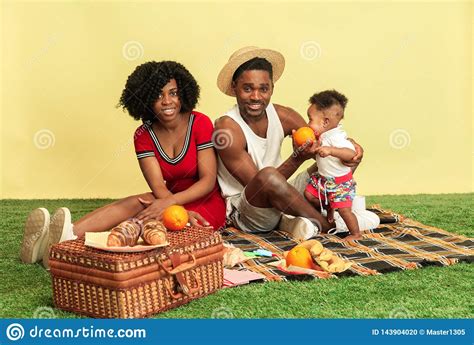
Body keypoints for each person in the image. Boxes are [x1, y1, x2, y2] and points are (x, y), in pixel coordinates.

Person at [20, 61, 226, 268]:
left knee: (149, 220)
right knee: (137, 202)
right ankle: (65, 235)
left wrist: (171, 206)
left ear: (184, 93)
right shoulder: (143, 135)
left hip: (205, 201)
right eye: (157, 95)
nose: (166, 101)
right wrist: (168, 204)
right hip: (166, 197)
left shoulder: (200, 122)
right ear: (145, 99)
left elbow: (208, 181)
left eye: (173, 93)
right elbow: (158, 187)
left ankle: (63, 247)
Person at [214, 46, 379, 240]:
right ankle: (327, 226)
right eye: (247, 88)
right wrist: (296, 159)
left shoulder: (283, 115)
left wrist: (350, 147)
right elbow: (260, 185)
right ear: (234, 88)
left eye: (263, 89)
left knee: (341, 158)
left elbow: (321, 138)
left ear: (272, 88)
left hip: (282, 190)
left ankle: (311, 215)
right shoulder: (227, 129)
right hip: (248, 210)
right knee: (268, 176)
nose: (256, 97)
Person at [304, 90, 361, 241]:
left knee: (345, 210)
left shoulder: (336, 137)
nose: (308, 124)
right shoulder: (322, 135)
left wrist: (331, 151)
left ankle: (355, 234)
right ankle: (330, 206)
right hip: (324, 180)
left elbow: (350, 153)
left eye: (310, 120)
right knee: (309, 195)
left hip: (340, 183)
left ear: (325, 122)